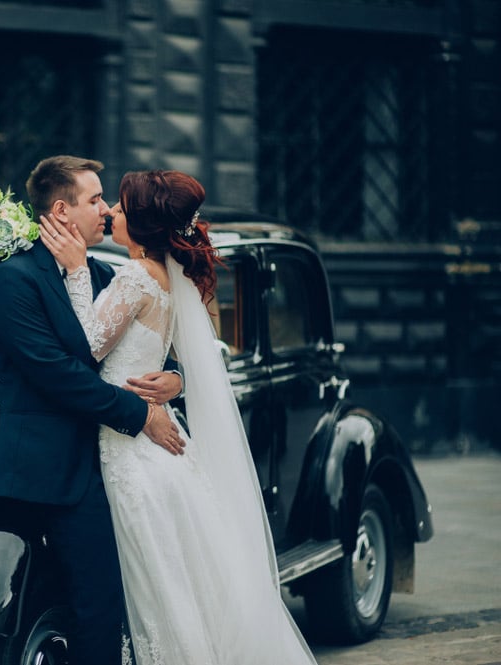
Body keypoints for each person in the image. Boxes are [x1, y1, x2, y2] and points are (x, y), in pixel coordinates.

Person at [40, 169, 318, 664]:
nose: (110, 212)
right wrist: (177, 378)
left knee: (157, 591)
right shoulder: (164, 278)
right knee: (180, 586)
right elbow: (173, 353)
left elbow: (85, 347)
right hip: (155, 451)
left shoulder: (132, 277)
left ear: (142, 224)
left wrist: (79, 270)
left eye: (120, 208)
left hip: (131, 457)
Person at [0, 156, 185, 665]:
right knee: (91, 603)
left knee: (106, 603)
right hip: (50, 470)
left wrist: (173, 381)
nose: (106, 210)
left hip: (107, 464)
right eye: (94, 200)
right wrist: (140, 414)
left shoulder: (100, 272)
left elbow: (146, 344)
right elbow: (56, 374)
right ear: (61, 210)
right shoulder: (14, 279)